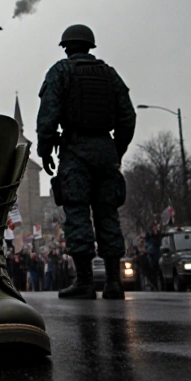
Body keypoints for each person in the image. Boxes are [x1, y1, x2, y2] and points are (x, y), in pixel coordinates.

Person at [36, 24, 137, 300]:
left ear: (67, 47)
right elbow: (128, 117)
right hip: (105, 149)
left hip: (76, 150)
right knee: (108, 214)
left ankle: (84, 281)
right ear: (90, 46)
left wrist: (45, 150)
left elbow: (48, 116)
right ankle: (114, 283)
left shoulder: (61, 72)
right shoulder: (109, 74)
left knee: (78, 214)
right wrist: (116, 150)